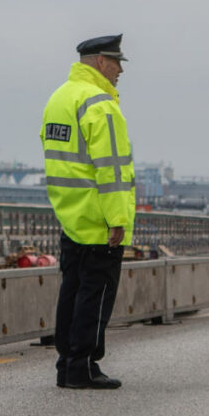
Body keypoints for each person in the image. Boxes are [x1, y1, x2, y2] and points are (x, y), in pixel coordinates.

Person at [40, 34, 137, 389]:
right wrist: (117, 220)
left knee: (71, 291)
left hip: (69, 215)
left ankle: (67, 364)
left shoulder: (59, 99)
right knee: (95, 295)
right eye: (117, 62)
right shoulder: (100, 104)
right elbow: (110, 171)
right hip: (98, 218)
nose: (121, 69)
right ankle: (84, 365)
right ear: (100, 62)